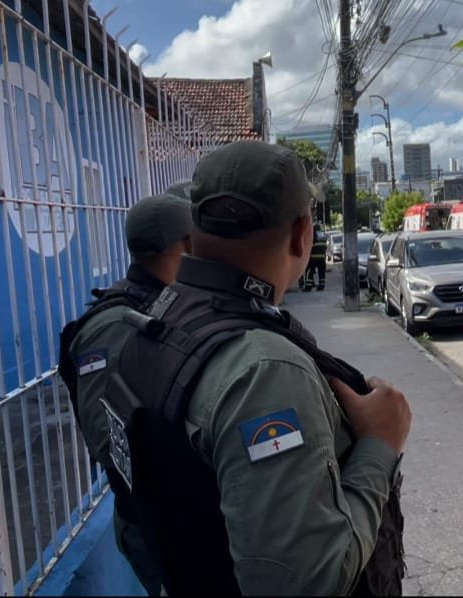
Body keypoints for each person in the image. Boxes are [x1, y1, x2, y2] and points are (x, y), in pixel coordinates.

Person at [102, 140, 411, 596]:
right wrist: (380, 445)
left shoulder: (156, 324)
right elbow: (303, 584)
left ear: (194, 229)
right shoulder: (264, 373)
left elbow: (134, 520)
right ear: (302, 233)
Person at [58, 191, 193, 596]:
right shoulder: (115, 325)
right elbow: (113, 445)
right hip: (161, 528)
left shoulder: (165, 302)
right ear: (187, 244)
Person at [301, 222, 327, 291]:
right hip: (322, 258)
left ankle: (308, 287)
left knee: (309, 272)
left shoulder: (313, 236)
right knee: (321, 272)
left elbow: (309, 247)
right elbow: (325, 247)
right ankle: (321, 286)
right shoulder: (323, 236)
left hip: (314, 258)